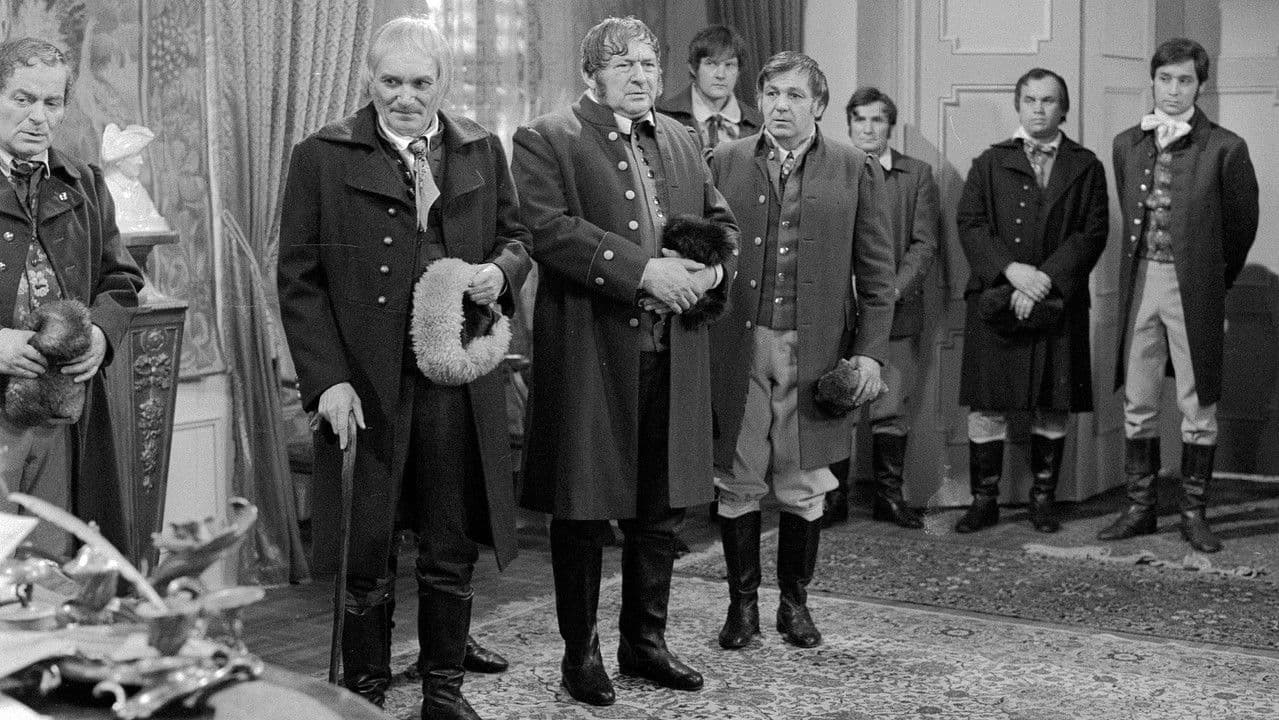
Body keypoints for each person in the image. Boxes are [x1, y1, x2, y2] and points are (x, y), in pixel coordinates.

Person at [277, 16, 531, 719]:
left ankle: (443, 691)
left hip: (454, 380)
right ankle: (364, 693)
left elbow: (516, 238)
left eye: (421, 83)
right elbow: (298, 280)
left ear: (443, 83)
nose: (405, 97)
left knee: (450, 542)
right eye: (391, 81)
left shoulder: (479, 148)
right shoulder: (321, 156)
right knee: (367, 547)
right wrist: (327, 380)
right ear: (370, 79)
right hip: (364, 386)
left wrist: (500, 271)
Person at [512, 16, 737, 707]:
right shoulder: (546, 137)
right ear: (591, 75)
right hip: (591, 354)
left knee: (660, 510)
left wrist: (709, 274)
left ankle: (644, 643)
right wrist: (644, 273)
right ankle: (579, 655)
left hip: (674, 353)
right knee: (582, 511)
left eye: (647, 63)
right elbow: (547, 230)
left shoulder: (682, 137)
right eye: (623, 65)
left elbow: (721, 223)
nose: (641, 76)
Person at [708, 52, 895, 651]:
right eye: (771, 94)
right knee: (737, 476)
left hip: (814, 350)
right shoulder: (725, 160)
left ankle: (794, 604)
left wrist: (869, 354)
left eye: (794, 96)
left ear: (818, 104)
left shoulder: (855, 168)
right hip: (738, 344)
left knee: (803, 478)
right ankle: (742, 608)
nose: (780, 106)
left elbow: (877, 274)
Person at [1099, 38, 1258, 553]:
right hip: (1140, 280)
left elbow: (1241, 227)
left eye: (1184, 80)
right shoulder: (1126, 144)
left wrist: (1214, 282)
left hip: (1196, 286)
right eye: (1165, 79)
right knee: (1139, 398)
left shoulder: (1226, 147)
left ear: (1200, 86)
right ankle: (1140, 509)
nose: (1173, 90)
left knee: (1198, 401)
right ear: (1152, 81)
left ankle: (1193, 513)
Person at [0, 38, 142, 555]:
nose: (38, 117)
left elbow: (120, 279)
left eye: (52, 102)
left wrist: (101, 332)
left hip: (62, 413)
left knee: (53, 564)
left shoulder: (83, 184)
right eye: (22, 99)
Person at [955, 68, 1107, 535]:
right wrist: (1012, 273)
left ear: (1064, 108)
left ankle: (1043, 501)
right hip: (996, 300)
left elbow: (1093, 232)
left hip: (1057, 301)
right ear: (1019, 105)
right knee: (987, 405)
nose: (1039, 109)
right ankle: (984, 501)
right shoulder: (988, 162)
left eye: (1049, 100)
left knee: (1052, 403)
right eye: (1030, 100)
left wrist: (1043, 280)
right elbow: (971, 223)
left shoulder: (1087, 166)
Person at [825, 86, 940, 529]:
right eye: (860, 119)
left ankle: (888, 498)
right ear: (849, 125)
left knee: (890, 406)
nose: (869, 128)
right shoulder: (831, 169)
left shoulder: (916, 175)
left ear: (890, 126)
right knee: (837, 403)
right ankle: (832, 499)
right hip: (839, 312)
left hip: (894, 311)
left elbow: (924, 244)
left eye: (878, 119)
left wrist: (887, 292)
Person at [656, 24, 762, 151]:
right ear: (693, 68)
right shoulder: (663, 117)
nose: (721, 75)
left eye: (729, 65)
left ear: (738, 71)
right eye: (711, 64)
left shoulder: (758, 124)